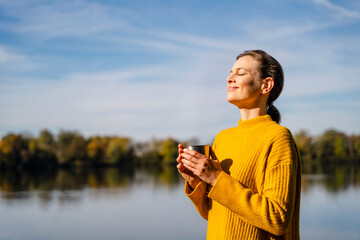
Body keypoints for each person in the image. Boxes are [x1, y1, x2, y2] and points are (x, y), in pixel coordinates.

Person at [176, 50, 301, 240]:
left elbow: (277, 219)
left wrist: (215, 177)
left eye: (240, 73)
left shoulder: (278, 137)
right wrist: (197, 182)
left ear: (266, 85)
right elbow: (214, 214)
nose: (229, 78)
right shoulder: (222, 138)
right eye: (230, 72)